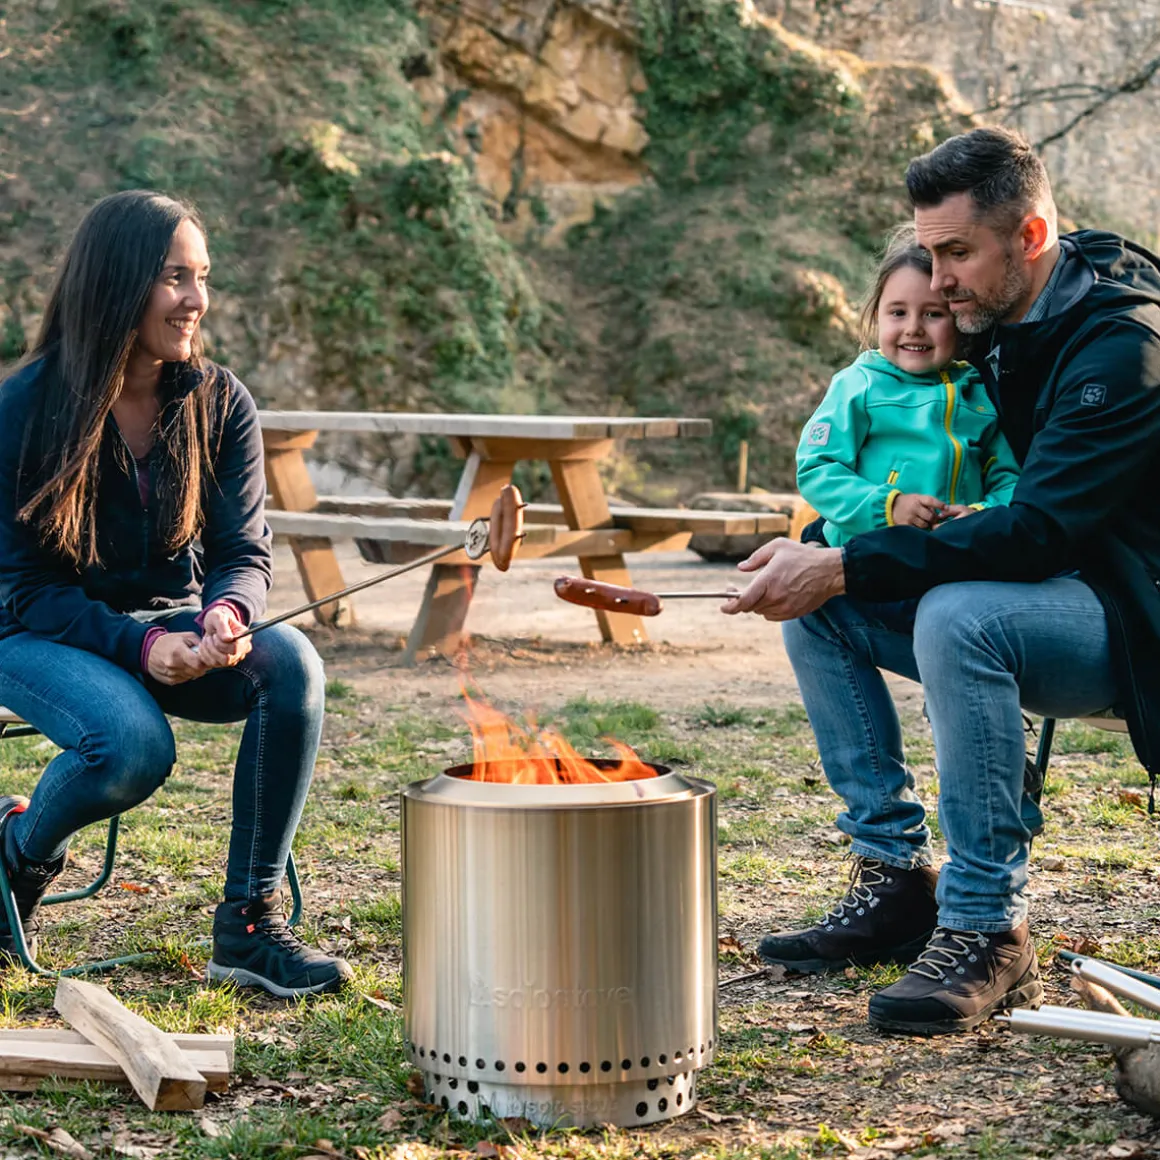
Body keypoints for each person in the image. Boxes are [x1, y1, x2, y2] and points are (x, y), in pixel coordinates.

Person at [725, 126, 1160, 1036]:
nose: (939, 280)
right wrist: (831, 548)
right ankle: (894, 881)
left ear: (1031, 239)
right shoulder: (1000, 318)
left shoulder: (1124, 350)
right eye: (927, 253)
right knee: (822, 606)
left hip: (1133, 621)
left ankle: (985, 921)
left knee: (959, 616)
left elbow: (1037, 531)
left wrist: (848, 560)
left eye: (956, 253)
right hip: (1055, 590)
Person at [0, 190, 353, 997]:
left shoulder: (219, 401)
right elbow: (25, 586)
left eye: (203, 277)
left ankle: (250, 926)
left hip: (168, 616)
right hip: (29, 632)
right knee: (132, 747)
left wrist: (226, 615)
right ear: (116, 282)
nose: (196, 300)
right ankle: (17, 853)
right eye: (173, 278)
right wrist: (144, 648)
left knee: (289, 661)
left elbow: (241, 551)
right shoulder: (23, 411)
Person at [797, 227, 1020, 546]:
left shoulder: (978, 393)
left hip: (946, 560)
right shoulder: (858, 385)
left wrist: (978, 514)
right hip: (860, 560)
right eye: (898, 313)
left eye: (933, 314)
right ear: (877, 315)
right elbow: (817, 469)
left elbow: (1008, 480)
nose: (913, 328)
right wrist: (889, 506)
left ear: (958, 320)